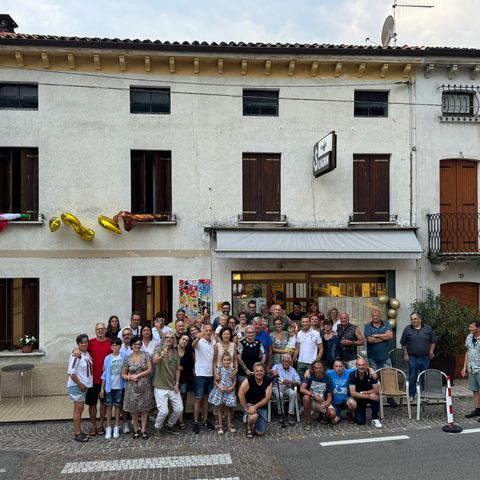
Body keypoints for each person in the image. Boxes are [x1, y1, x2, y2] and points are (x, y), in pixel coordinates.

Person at [121, 336, 156, 439]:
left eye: (138, 344)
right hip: (132, 386)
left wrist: (138, 375)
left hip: (145, 385)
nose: (137, 346)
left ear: (141, 345)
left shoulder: (146, 355)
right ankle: (136, 430)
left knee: (145, 409)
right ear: (131, 346)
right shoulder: (127, 358)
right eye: (135, 344)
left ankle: (144, 430)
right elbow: (123, 374)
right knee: (134, 409)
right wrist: (129, 377)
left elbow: (150, 370)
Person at [400, 312, 437, 401]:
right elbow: (403, 343)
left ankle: (424, 394)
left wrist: (431, 352)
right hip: (412, 357)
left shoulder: (428, 328)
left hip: (425, 357)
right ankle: (411, 395)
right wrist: (405, 354)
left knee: (424, 376)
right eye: (411, 319)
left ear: (420, 319)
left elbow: (433, 341)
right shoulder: (407, 329)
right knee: (412, 376)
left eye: (415, 319)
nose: (413, 321)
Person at [152, 332, 183, 436]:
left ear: (174, 340)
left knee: (179, 409)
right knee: (164, 411)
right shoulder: (158, 349)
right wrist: (161, 356)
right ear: (163, 339)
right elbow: (154, 361)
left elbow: (178, 369)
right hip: (160, 386)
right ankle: (157, 427)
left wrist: (177, 383)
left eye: (171, 338)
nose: (169, 339)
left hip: (172, 385)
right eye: (167, 337)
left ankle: (169, 425)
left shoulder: (175, 352)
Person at [364, 309, 397, 407]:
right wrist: (384, 336)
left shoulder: (386, 324)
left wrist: (377, 335)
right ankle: (375, 398)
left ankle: (390, 398)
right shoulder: (368, 326)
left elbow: (390, 336)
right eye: (373, 315)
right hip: (373, 356)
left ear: (380, 316)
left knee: (388, 378)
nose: (375, 317)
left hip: (385, 356)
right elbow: (370, 340)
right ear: (371, 316)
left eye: (377, 315)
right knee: (375, 377)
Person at [85, 322, 112, 436]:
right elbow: (80, 348)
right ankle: (93, 426)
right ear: (95, 331)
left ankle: (101, 425)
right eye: (98, 329)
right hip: (92, 379)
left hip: (105, 379)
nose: (100, 331)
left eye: (102, 329)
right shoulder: (90, 343)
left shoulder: (110, 343)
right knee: (92, 404)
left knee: (103, 404)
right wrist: (75, 350)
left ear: (105, 330)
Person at [67, 334, 93, 442]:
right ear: (78, 344)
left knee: (78, 410)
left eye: (86, 342)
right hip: (76, 386)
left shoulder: (86, 354)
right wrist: (80, 384)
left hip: (83, 386)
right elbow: (71, 372)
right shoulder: (76, 355)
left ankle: (79, 431)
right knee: (78, 410)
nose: (84, 344)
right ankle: (77, 434)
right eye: (81, 342)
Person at [191, 324, 216, 434]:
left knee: (206, 399)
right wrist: (198, 337)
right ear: (203, 331)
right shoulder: (199, 341)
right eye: (207, 330)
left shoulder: (214, 341)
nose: (208, 332)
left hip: (210, 374)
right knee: (198, 399)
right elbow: (192, 345)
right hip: (200, 373)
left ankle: (205, 420)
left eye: (210, 330)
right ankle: (196, 422)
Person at [100, 338, 126, 440]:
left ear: (120, 346)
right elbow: (104, 374)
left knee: (118, 406)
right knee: (109, 407)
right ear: (111, 347)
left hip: (119, 386)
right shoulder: (107, 358)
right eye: (113, 345)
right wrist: (102, 389)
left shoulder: (124, 357)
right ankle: (108, 427)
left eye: (117, 345)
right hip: (109, 387)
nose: (115, 347)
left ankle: (116, 426)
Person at [238, 362, 273, 438]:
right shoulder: (249, 379)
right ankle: (249, 428)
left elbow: (267, 398)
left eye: (261, 371)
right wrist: (246, 408)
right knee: (253, 416)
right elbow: (240, 393)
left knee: (260, 432)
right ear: (253, 372)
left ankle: (252, 421)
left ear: (264, 372)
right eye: (257, 371)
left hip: (261, 406)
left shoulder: (268, 380)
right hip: (250, 404)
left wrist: (255, 407)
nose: (259, 373)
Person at [300, 360, 335, 430]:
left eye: (320, 368)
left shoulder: (328, 379)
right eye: (316, 368)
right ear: (314, 369)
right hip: (312, 401)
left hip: (322, 402)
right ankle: (308, 421)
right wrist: (314, 395)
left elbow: (329, 397)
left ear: (324, 368)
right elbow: (302, 389)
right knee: (306, 397)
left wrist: (325, 405)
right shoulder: (309, 376)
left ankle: (321, 416)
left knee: (332, 414)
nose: (318, 370)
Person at [349, 357, 382, 428]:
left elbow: (376, 390)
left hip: (365, 395)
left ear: (366, 365)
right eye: (359, 365)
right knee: (360, 421)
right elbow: (352, 393)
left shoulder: (371, 374)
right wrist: (368, 395)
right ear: (356, 365)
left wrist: (363, 393)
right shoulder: (352, 374)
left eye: (363, 365)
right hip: (359, 399)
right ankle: (356, 413)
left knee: (375, 396)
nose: (361, 367)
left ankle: (375, 418)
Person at [208, 351, 237, 434]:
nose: (226, 361)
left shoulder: (232, 370)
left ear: (230, 361)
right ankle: (220, 426)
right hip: (220, 390)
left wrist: (232, 387)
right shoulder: (219, 369)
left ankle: (229, 426)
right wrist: (219, 386)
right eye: (225, 360)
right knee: (219, 408)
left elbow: (234, 380)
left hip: (229, 391)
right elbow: (215, 380)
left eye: (228, 360)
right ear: (222, 361)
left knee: (229, 409)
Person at [270, 353, 301, 426]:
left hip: (287, 387)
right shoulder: (277, 366)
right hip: (276, 387)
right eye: (285, 361)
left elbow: (298, 382)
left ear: (290, 362)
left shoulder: (292, 370)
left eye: (288, 362)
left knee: (293, 393)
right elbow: (270, 373)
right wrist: (273, 372)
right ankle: (281, 414)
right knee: (279, 394)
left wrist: (289, 381)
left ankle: (290, 414)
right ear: (282, 361)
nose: (286, 363)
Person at [326, 359, 357, 424]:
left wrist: (370, 369)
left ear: (343, 366)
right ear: (333, 367)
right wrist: (308, 371)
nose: (338, 368)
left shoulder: (348, 372)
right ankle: (337, 415)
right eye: (336, 366)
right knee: (333, 421)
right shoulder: (329, 373)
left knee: (353, 404)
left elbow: (361, 367)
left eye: (340, 366)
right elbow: (317, 370)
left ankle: (349, 413)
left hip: (346, 399)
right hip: (335, 402)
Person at [461, 321, 480, 418]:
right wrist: (465, 367)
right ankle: (477, 410)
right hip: (471, 367)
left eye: (471, 327)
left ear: (478, 328)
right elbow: (467, 352)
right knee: (475, 390)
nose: (469, 328)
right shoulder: (469, 337)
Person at [177, 333, 194, 430]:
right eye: (183, 339)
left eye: (187, 341)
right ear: (179, 340)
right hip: (173, 378)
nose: (185, 342)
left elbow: (190, 366)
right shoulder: (174, 350)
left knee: (182, 397)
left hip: (183, 378)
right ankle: (174, 418)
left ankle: (181, 419)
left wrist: (182, 367)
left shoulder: (188, 352)